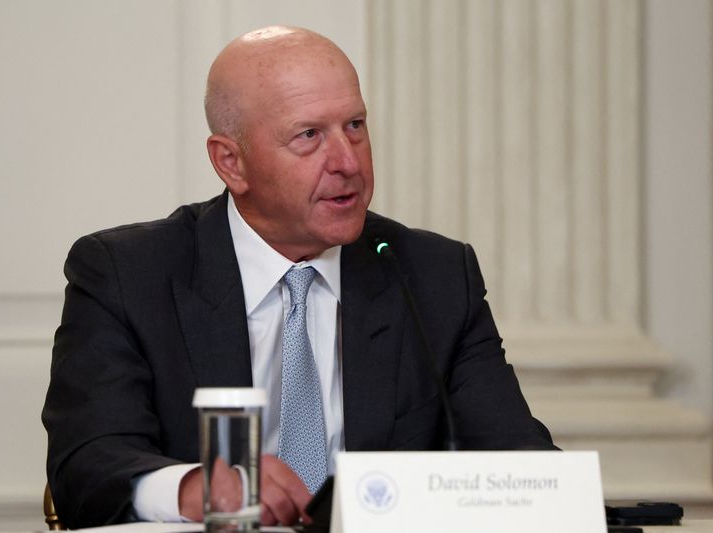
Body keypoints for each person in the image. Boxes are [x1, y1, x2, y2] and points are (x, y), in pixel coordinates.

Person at [42, 25, 554, 529]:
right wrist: (194, 487)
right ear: (231, 162)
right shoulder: (127, 275)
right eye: (309, 135)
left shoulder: (433, 275)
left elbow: (520, 462)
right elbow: (87, 465)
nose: (348, 162)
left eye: (355, 125)